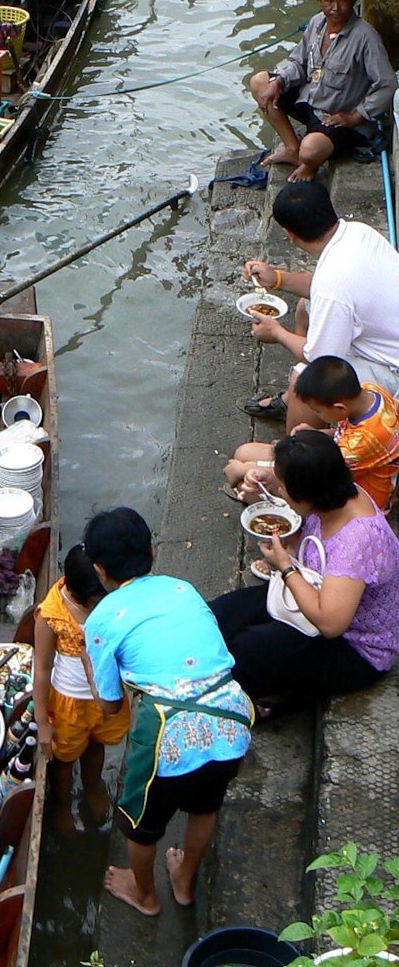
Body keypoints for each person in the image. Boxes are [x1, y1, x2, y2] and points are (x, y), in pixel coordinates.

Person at [82, 508, 253, 915]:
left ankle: (144, 894)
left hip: (168, 736)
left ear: (99, 569)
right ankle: (184, 879)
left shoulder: (103, 617)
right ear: (153, 551)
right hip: (231, 719)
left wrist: (92, 667)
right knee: (205, 805)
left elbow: (109, 705)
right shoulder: (182, 589)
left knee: (140, 827)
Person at [210, 432, 399, 715]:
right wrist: (270, 484)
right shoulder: (338, 492)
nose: (281, 493)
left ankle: (276, 699)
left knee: (246, 652)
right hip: (314, 593)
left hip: (355, 646)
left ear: (306, 494)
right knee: (219, 615)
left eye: (285, 488)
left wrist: (284, 566)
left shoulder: (357, 541)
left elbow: (330, 623)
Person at [241, 182, 399, 423]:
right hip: (385, 339)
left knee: (305, 380)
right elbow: (322, 289)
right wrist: (277, 278)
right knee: (306, 306)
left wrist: (277, 332)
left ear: (289, 233)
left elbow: (321, 360)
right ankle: (291, 404)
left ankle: (296, 451)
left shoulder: (332, 284)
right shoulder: (358, 231)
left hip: (392, 371)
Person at [248, 0, 395, 183]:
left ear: (353, 0)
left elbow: (387, 85)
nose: (335, 8)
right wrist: (279, 80)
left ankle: (307, 163)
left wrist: (356, 115)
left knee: (310, 151)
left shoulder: (366, 38)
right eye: (329, 0)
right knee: (260, 82)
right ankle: (291, 148)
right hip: (310, 101)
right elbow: (298, 63)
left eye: (343, 1)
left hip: (338, 119)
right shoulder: (317, 23)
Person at [33, 544, 130, 831]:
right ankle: (63, 802)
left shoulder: (111, 602)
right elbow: (41, 669)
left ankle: (91, 786)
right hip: (68, 701)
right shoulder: (51, 616)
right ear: (83, 597)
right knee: (63, 758)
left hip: (106, 694)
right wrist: (42, 723)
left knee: (96, 744)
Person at [224, 356, 399, 512]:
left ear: (339, 407)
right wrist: (316, 433)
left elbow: (314, 474)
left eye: (318, 412)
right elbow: (344, 434)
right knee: (244, 452)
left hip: (350, 494)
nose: (317, 415)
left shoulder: (364, 441)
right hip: (336, 461)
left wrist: (245, 468)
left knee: (248, 486)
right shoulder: (370, 391)